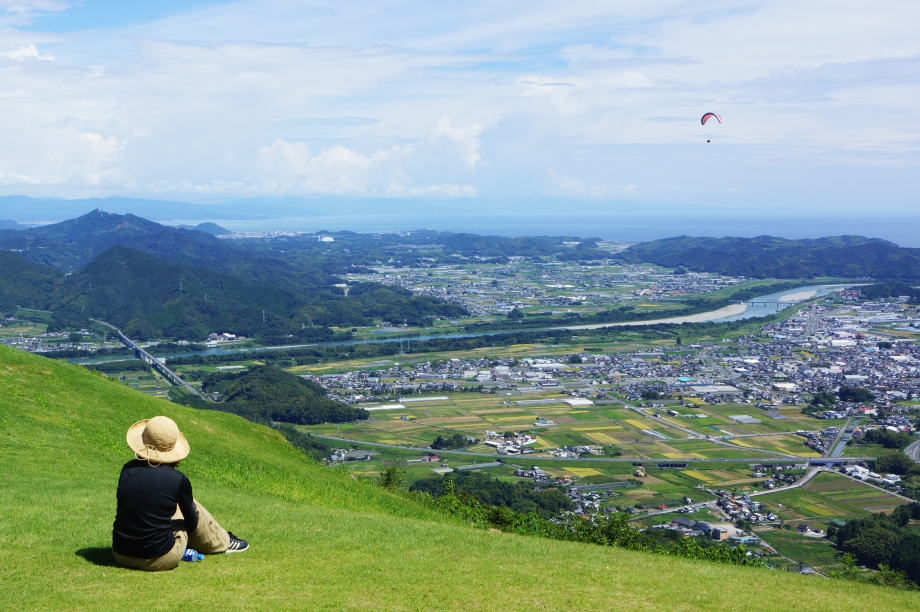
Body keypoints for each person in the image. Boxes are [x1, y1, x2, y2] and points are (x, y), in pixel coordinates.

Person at [112, 416, 249, 571]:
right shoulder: (178, 479)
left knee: (171, 504)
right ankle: (223, 541)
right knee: (193, 507)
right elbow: (192, 523)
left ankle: (222, 538)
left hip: (120, 554)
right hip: (159, 558)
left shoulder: (127, 469)